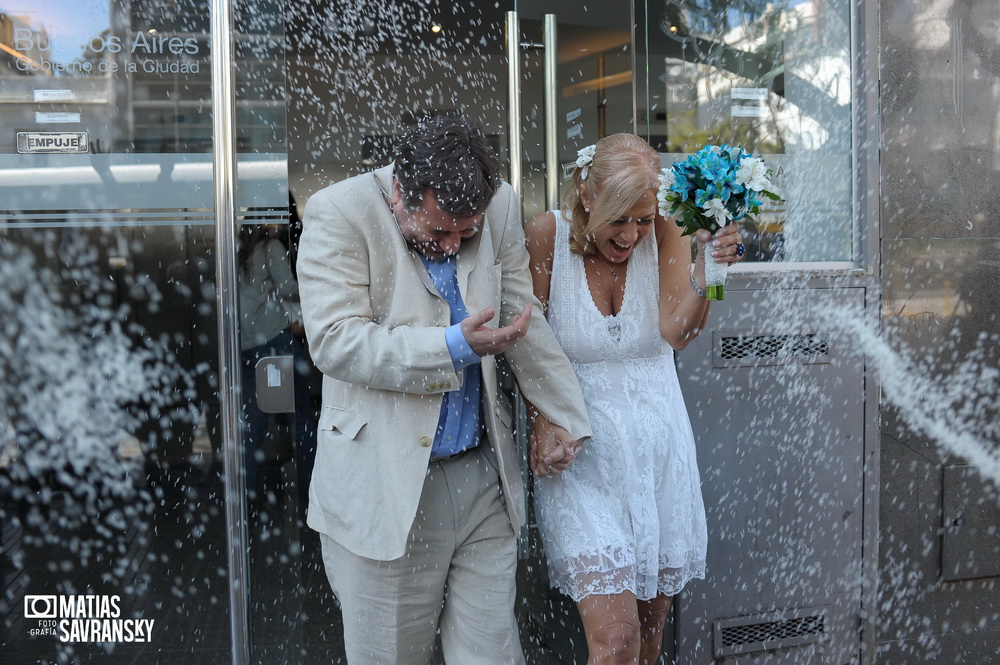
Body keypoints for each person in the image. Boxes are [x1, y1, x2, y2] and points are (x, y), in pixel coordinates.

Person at [296, 114, 592, 665]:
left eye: (467, 232)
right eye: (438, 232)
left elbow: (520, 314)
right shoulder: (337, 211)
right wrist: (453, 345)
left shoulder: (500, 204)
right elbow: (336, 342)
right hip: (384, 487)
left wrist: (561, 417)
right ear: (402, 194)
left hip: (484, 480)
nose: (454, 245)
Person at [524, 133, 744, 664]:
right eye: (618, 218)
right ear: (585, 194)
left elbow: (678, 333)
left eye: (643, 219)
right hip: (584, 461)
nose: (631, 235)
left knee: (647, 641)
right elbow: (527, 348)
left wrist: (711, 274)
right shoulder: (544, 237)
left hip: (658, 454)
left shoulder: (667, 233)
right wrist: (540, 421)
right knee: (616, 640)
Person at [236, 223, 314, 504]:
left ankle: (247, 498)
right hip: (275, 342)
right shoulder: (271, 247)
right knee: (301, 420)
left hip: (248, 345)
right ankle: (310, 495)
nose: (282, 224)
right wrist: (318, 281)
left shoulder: (236, 250)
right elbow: (288, 288)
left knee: (253, 427)